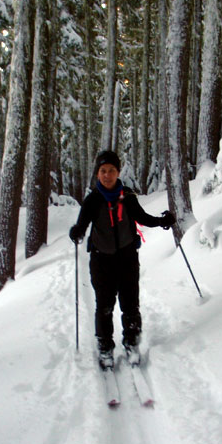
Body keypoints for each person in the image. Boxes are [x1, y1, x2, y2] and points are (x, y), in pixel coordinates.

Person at [69, 150, 175, 370]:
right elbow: (82, 225)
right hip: (101, 261)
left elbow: (142, 218)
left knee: (130, 304)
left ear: (118, 172)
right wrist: (76, 232)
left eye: (112, 171)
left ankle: (131, 343)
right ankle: (105, 347)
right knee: (105, 306)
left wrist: (163, 221)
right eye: (103, 171)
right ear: (97, 173)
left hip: (127, 258)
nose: (107, 175)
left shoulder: (127, 196)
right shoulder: (92, 200)